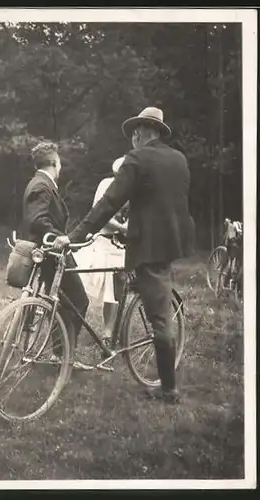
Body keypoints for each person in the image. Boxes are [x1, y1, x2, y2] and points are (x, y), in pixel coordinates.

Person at [52, 107, 195, 403]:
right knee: (149, 300)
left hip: (149, 247)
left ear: (142, 131)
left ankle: (169, 390)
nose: (133, 137)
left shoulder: (138, 158)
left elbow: (108, 202)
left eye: (135, 132)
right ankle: (119, 336)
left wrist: (75, 236)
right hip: (172, 243)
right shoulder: (179, 159)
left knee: (159, 321)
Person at [22, 141, 92, 370]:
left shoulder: (40, 183)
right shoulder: (42, 185)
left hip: (51, 253)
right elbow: (37, 220)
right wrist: (60, 239)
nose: (61, 167)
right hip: (53, 254)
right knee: (79, 300)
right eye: (59, 163)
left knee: (63, 303)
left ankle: (59, 354)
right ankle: (65, 357)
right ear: (53, 163)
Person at [74, 156, 128, 349]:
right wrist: (123, 228)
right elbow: (100, 214)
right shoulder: (106, 185)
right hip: (101, 241)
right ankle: (72, 328)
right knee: (83, 284)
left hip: (120, 246)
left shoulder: (133, 191)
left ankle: (108, 333)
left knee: (114, 291)